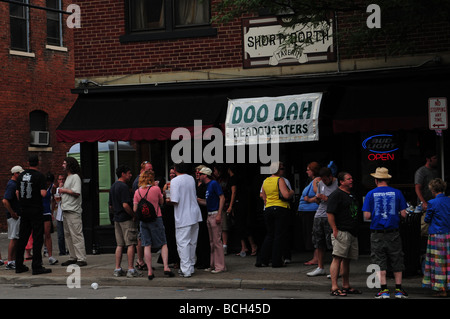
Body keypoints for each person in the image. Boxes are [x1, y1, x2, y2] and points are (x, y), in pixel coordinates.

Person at [362, 167, 408, 299]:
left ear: (376, 180)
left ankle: (384, 290)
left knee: (379, 260)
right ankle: (399, 290)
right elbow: (404, 214)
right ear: (387, 179)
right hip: (393, 232)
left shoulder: (370, 194)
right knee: (397, 258)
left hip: (377, 232)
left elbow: (366, 215)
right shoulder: (397, 193)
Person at [133, 170, 174, 280]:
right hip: (156, 219)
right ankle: (166, 267)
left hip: (144, 221)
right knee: (163, 243)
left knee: (147, 245)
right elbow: (161, 202)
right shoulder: (156, 189)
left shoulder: (137, 192)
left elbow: (135, 209)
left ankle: (150, 271)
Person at [15, 155, 51, 275]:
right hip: (36, 209)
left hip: (24, 209)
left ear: (28, 162)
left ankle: (19, 265)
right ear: (38, 163)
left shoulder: (20, 176)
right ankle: (36, 266)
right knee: (37, 237)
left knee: (23, 238)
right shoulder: (39, 176)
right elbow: (43, 193)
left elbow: (17, 193)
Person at [327, 172, 361, 297]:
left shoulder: (351, 194)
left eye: (352, 178)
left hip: (352, 231)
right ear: (341, 182)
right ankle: (334, 286)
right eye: (348, 179)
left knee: (346, 260)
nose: (351, 180)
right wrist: (335, 229)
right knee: (337, 258)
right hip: (342, 231)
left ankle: (345, 285)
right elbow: (330, 213)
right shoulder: (336, 195)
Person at [168, 161, 203, 278]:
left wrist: (166, 198)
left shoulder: (175, 181)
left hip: (183, 216)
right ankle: (191, 266)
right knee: (192, 242)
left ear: (175, 168)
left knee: (183, 243)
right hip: (194, 213)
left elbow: (175, 200)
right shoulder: (191, 179)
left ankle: (186, 269)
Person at [257, 161, 294, 268]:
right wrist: (291, 191)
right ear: (277, 170)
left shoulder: (265, 181)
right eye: (282, 169)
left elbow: (263, 197)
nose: (283, 170)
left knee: (270, 235)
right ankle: (276, 261)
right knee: (279, 235)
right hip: (280, 208)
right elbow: (286, 195)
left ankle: (262, 260)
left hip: (268, 208)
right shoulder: (280, 180)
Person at [109, 165, 139, 278]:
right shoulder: (124, 187)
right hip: (126, 219)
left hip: (117, 218)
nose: (130, 175)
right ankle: (131, 269)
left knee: (120, 244)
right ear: (123, 174)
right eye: (129, 173)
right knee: (131, 243)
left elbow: (111, 206)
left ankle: (117, 268)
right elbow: (125, 204)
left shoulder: (113, 186)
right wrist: (133, 215)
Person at [307, 167, 337, 276]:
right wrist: (318, 198)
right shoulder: (320, 184)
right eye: (322, 180)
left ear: (331, 177)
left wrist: (326, 198)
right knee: (318, 242)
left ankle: (335, 268)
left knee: (333, 243)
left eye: (326, 180)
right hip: (319, 214)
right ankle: (320, 267)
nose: (324, 182)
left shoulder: (337, 184)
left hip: (331, 215)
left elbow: (339, 201)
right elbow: (318, 201)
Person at [422, 178, 450, 297]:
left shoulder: (432, 203)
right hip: (448, 233)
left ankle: (440, 288)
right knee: (448, 261)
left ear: (433, 190)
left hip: (436, 235)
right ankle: (447, 285)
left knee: (438, 262)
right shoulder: (449, 200)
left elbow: (427, 219)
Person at [198, 167, 227, 273]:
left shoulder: (213, 184)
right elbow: (208, 202)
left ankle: (220, 266)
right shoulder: (208, 186)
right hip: (210, 214)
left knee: (217, 241)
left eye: (200, 174)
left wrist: (219, 214)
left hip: (214, 214)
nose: (199, 176)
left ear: (205, 175)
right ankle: (213, 264)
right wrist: (198, 200)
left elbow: (222, 197)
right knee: (212, 242)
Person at [59, 157, 87, 267]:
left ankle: (81, 258)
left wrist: (63, 190)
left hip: (73, 210)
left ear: (70, 165)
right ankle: (72, 256)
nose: (63, 165)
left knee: (76, 234)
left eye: (64, 163)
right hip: (66, 209)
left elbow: (76, 192)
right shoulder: (68, 177)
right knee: (68, 235)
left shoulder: (75, 177)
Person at [228, 165, 257, 257]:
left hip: (238, 204)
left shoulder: (233, 179)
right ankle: (245, 247)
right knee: (240, 226)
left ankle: (251, 246)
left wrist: (230, 206)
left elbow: (234, 192)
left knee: (241, 225)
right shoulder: (242, 179)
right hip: (242, 204)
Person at [132, 161, 153, 271]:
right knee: (141, 238)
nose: (150, 172)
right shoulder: (138, 183)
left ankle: (141, 260)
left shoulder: (145, 182)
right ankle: (140, 260)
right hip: (143, 215)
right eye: (148, 170)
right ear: (141, 171)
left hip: (145, 214)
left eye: (151, 169)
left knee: (143, 238)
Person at [2, 165, 24, 270]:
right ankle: (10, 261)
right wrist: (12, 213)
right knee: (14, 238)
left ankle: (13, 260)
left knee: (16, 238)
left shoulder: (14, 184)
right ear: (16, 174)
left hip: (16, 214)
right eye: (20, 173)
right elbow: (5, 200)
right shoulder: (12, 185)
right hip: (14, 216)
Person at [298, 162, 321, 264]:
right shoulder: (312, 180)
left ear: (313, 171)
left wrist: (309, 200)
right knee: (310, 234)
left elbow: (319, 194)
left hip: (311, 211)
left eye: (308, 169)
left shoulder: (317, 180)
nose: (307, 171)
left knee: (313, 234)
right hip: (307, 211)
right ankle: (316, 257)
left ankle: (316, 258)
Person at [194, 165, 210, 269]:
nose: (197, 174)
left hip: (204, 214)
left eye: (199, 172)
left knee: (204, 238)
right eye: (196, 172)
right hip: (195, 214)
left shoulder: (207, 185)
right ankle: (198, 260)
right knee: (197, 238)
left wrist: (197, 200)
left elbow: (208, 201)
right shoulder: (194, 184)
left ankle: (206, 261)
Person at [213, 165, 229, 255]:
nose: (214, 172)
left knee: (224, 226)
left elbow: (223, 194)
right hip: (215, 205)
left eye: (215, 170)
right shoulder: (214, 180)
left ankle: (224, 246)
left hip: (224, 206)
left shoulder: (223, 181)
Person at [43, 172, 58, 265]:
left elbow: (53, 200)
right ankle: (40, 253)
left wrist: (52, 212)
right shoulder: (40, 186)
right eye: (47, 181)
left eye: (49, 182)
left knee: (47, 233)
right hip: (39, 212)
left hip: (47, 212)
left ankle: (50, 256)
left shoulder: (53, 187)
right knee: (38, 234)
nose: (48, 183)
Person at [54, 174, 67, 256]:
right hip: (59, 215)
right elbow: (57, 200)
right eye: (60, 179)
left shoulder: (66, 189)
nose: (61, 181)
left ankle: (69, 250)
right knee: (60, 235)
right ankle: (62, 251)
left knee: (68, 234)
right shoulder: (57, 189)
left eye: (62, 179)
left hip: (66, 214)